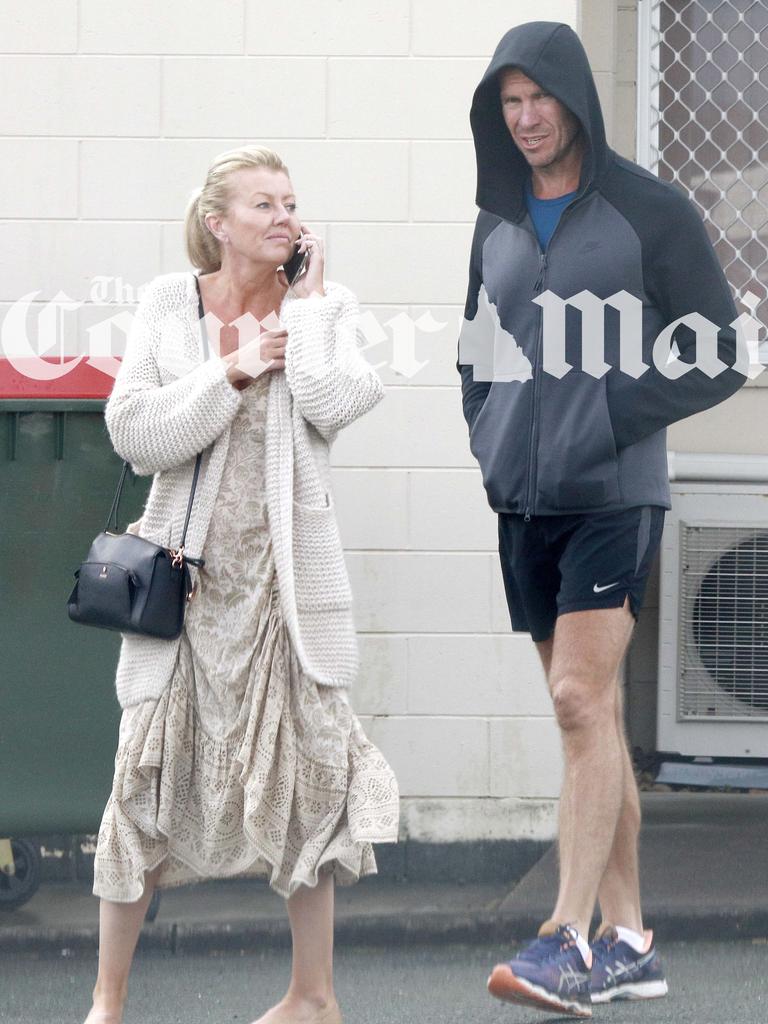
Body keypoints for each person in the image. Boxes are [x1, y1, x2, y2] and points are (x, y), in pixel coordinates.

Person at [457, 21, 746, 1019]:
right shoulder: (495, 215)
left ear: (577, 98)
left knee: (581, 701)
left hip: (615, 494)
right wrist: (489, 431)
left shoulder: (646, 210)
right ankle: (630, 938)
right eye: (511, 101)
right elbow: (473, 344)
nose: (529, 118)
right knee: (590, 718)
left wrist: (614, 413)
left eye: (543, 98)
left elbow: (719, 353)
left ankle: (564, 937)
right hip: (523, 499)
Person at [83, 144, 399, 1024]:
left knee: (308, 793)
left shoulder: (323, 310)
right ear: (219, 223)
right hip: (182, 600)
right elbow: (135, 432)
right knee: (140, 788)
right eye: (263, 204)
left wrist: (301, 319)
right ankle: (108, 1001)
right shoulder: (166, 306)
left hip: (282, 603)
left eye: (290, 202)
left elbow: (337, 406)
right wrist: (230, 368)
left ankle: (313, 997)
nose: (283, 217)